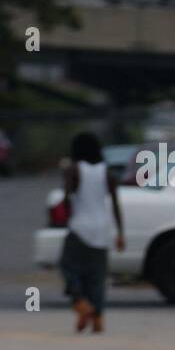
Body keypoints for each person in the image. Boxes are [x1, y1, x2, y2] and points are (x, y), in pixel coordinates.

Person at [59, 133, 124, 333]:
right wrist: (120, 233)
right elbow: (115, 204)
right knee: (97, 277)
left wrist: (65, 209)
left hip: (80, 227)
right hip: (102, 229)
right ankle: (98, 319)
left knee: (68, 267)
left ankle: (81, 304)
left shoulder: (74, 169)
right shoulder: (107, 173)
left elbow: (67, 196)